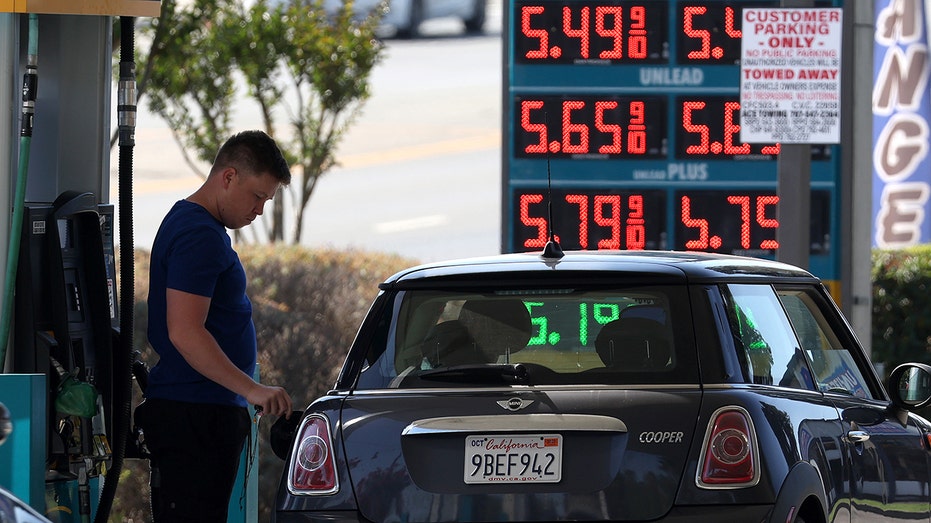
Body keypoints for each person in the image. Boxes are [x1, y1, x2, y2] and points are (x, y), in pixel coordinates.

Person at [136, 130, 294, 522]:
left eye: (266, 201)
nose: (259, 210)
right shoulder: (199, 236)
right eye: (257, 196)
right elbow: (185, 331)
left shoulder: (192, 222)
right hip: (194, 415)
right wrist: (252, 389)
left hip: (200, 412)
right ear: (228, 177)